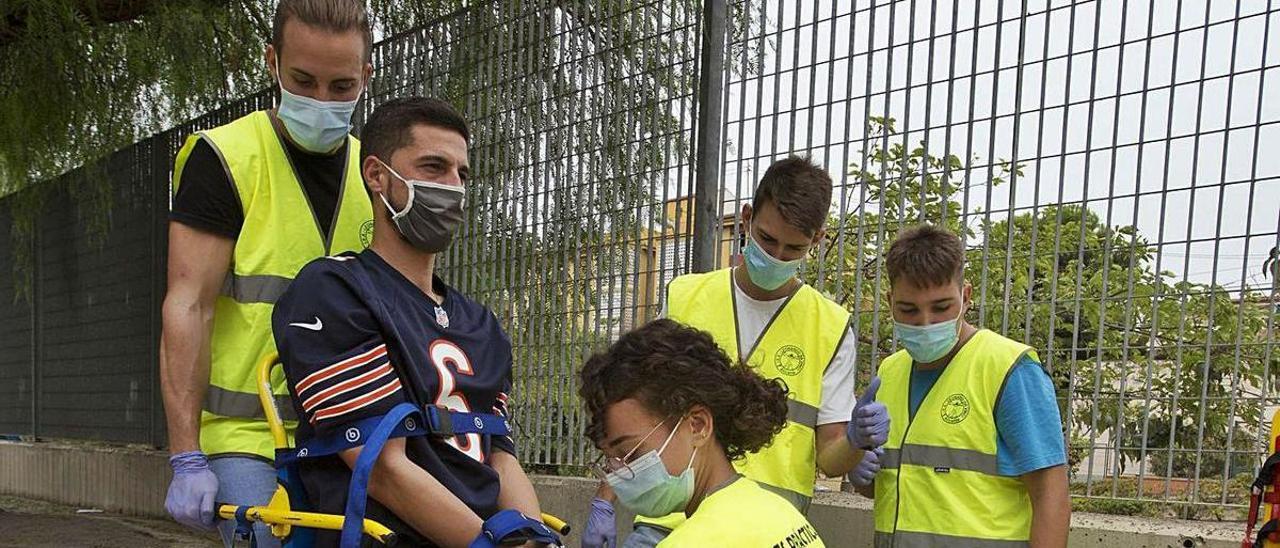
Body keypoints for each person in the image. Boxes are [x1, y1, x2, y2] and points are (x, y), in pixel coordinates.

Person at [271, 96, 553, 547]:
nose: (453, 187)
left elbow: (500, 455)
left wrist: (533, 540)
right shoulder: (332, 291)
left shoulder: (481, 323)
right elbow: (382, 469)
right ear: (377, 175)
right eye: (433, 167)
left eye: (462, 174)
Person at [584, 156, 889, 548]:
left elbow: (830, 458)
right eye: (767, 239)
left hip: (765, 530)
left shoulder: (828, 326)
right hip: (670, 522)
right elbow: (633, 419)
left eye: (792, 248)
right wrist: (605, 499)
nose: (777, 257)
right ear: (746, 218)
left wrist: (853, 439)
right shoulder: (686, 297)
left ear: (817, 240)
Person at [160, 0, 374, 544]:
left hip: (349, 433)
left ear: (366, 76)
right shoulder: (227, 159)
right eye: (303, 80)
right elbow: (189, 304)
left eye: (341, 85)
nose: (321, 100)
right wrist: (187, 456)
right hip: (248, 438)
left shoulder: (374, 173)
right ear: (272, 62)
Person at [863, 224, 1070, 547]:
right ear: (890, 302)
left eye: (941, 307)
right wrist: (858, 465)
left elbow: (1050, 495)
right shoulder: (890, 372)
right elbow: (905, 488)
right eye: (909, 310)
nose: (926, 322)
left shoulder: (1008, 368)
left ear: (966, 296)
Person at [580, 319, 826, 548]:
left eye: (630, 454)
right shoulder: (780, 512)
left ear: (697, 425)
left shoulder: (691, 542)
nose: (620, 476)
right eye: (612, 461)